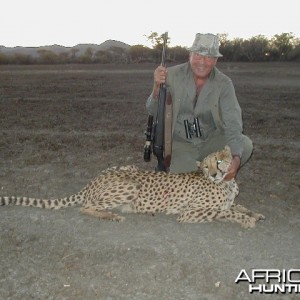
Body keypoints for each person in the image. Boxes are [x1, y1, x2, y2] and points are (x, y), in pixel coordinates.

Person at [146, 33, 253, 180]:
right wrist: (157, 86)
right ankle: (202, 170)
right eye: (198, 54)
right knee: (183, 187)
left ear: (215, 60)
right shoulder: (171, 75)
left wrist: (235, 159)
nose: (202, 61)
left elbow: (233, 124)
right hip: (180, 143)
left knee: (245, 145)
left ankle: (215, 166)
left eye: (209, 57)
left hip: (210, 141)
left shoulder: (224, 84)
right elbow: (152, 110)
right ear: (190, 54)